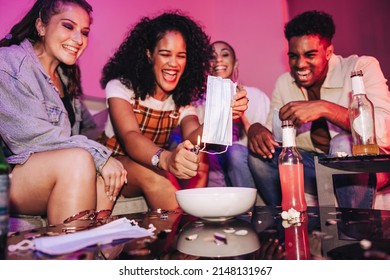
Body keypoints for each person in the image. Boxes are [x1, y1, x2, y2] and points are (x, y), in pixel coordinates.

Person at [99, 12, 248, 210]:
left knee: (160, 176)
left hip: (151, 164)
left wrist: (224, 112)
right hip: (112, 163)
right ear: (149, 54)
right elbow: (130, 136)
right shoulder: (120, 86)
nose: (174, 63)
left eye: (181, 56)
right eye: (165, 54)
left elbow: (194, 137)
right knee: (157, 177)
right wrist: (166, 158)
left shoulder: (182, 101)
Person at [0, 0, 127, 225]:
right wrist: (99, 155)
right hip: (8, 172)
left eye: (84, 32)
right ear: (40, 26)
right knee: (79, 161)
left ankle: (93, 250)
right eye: (68, 26)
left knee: (105, 175)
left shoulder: (66, 77)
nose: (79, 40)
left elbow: (88, 129)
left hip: (40, 171)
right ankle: (70, 255)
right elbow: (34, 138)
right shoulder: (9, 63)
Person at [247, 10, 390, 208]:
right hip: (315, 166)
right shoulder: (284, 83)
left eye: (310, 55)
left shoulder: (361, 67)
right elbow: (274, 133)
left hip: (367, 164)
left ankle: (355, 228)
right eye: (293, 56)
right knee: (260, 156)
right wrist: (257, 129)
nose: (300, 64)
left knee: (343, 145)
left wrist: (324, 108)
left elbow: (384, 131)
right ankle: (284, 220)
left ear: (329, 52)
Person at [196, 40, 270, 187]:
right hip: (214, 184)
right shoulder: (199, 104)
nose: (218, 60)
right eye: (212, 57)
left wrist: (241, 114)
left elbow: (265, 142)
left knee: (234, 151)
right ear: (206, 65)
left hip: (251, 178)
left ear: (235, 63)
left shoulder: (256, 97)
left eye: (225, 54)